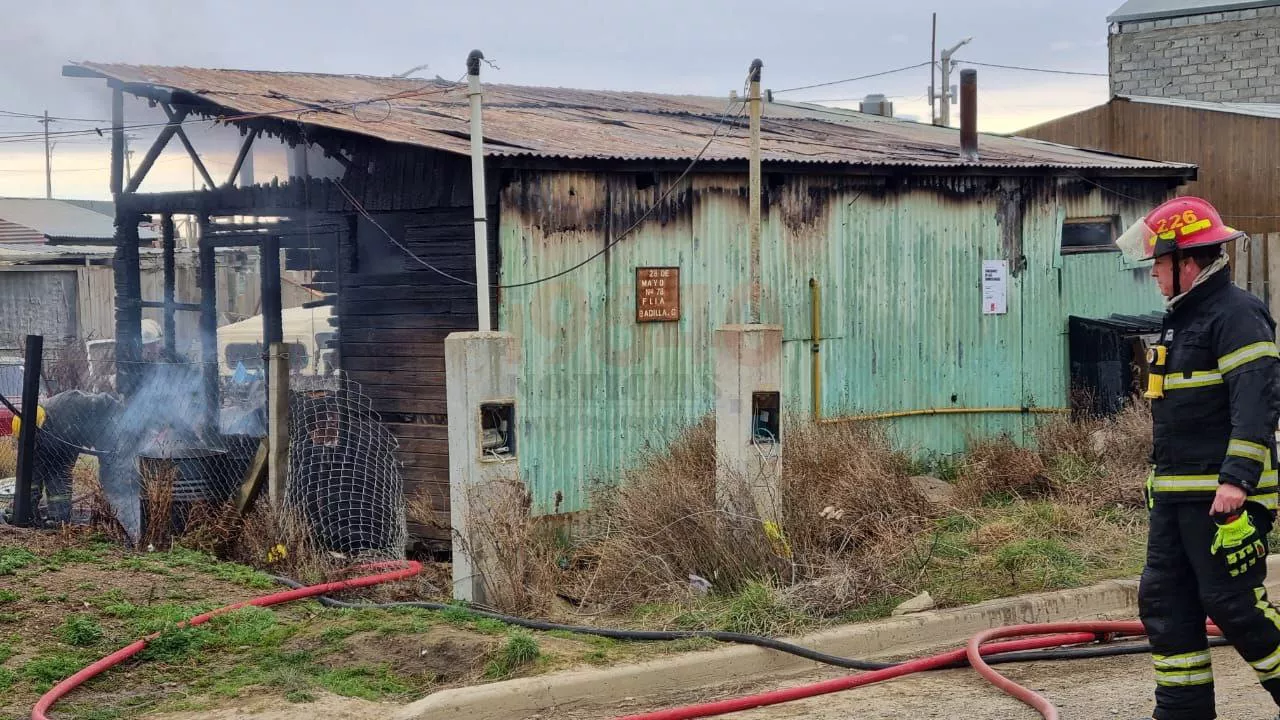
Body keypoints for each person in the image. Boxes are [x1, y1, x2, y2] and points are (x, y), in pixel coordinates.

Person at [1116, 196, 1280, 720]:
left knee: (1233, 606)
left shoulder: (1236, 314)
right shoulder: (1180, 321)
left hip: (1224, 500)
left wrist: (1236, 482)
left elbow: (1256, 400)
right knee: (1165, 605)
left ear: (1187, 262)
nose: (1154, 277)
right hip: (1175, 499)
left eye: (1158, 265)